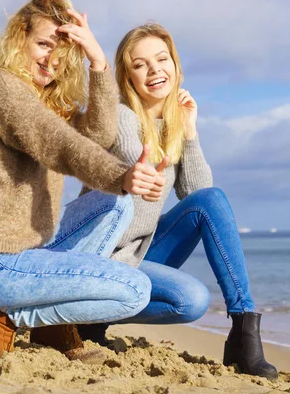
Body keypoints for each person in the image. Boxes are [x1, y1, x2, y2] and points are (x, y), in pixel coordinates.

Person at [0, 0, 159, 363]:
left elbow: (98, 136)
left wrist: (97, 61)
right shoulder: (5, 88)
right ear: (20, 38)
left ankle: (37, 323)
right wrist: (121, 174)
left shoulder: (48, 99)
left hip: (26, 255)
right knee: (134, 289)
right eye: (44, 44)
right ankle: (12, 320)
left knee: (115, 203)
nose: (51, 60)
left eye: (62, 55)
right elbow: (60, 144)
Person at [77, 23, 278, 380]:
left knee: (210, 202)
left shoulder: (173, 125)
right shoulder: (120, 116)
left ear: (175, 65)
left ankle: (243, 328)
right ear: (128, 77)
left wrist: (189, 133)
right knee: (191, 299)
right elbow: (132, 153)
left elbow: (199, 194)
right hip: (101, 257)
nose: (154, 70)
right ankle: (94, 314)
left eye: (161, 59)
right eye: (140, 65)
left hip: (138, 255)